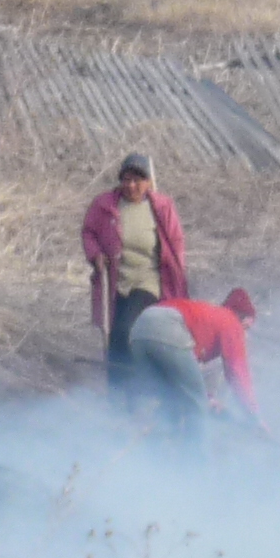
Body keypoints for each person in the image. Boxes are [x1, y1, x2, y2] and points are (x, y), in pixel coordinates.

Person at [80, 153, 188, 401]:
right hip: (116, 279)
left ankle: (136, 392)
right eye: (126, 180)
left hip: (148, 279)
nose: (131, 186)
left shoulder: (161, 207)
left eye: (137, 180)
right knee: (115, 336)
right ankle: (118, 396)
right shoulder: (105, 205)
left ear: (148, 182)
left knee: (127, 329)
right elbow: (89, 232)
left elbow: (176, 241)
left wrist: (177, 271)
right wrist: (95, 255)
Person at [123, 286, 265, 446]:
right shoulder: (231, 321)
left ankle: (155, 457)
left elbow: (184, 377)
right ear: (241, 316)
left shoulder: (206, 315)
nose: (244, 333)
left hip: (139, 329)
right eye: (246, 327)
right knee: (197, 408)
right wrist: (254, 416)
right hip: (168, 326)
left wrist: (207, 398)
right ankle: (196, 466)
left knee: (169, 399)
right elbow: (237, 372)